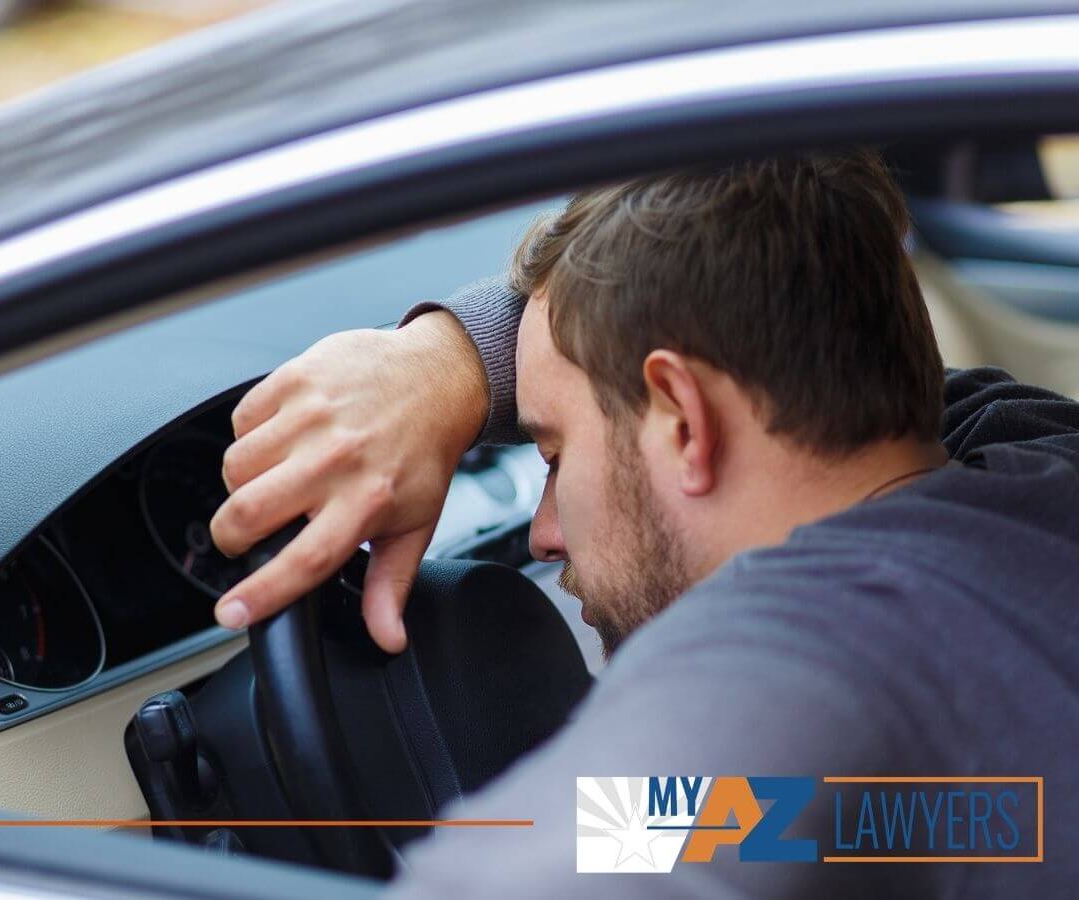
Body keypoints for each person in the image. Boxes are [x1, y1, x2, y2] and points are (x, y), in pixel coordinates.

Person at [209, 150, 1078, 896]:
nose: (544, 533)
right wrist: (448, 364)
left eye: (553, 455)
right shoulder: (1037, 458)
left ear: (686, 422)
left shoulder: (796, 674)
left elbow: (541, 867)